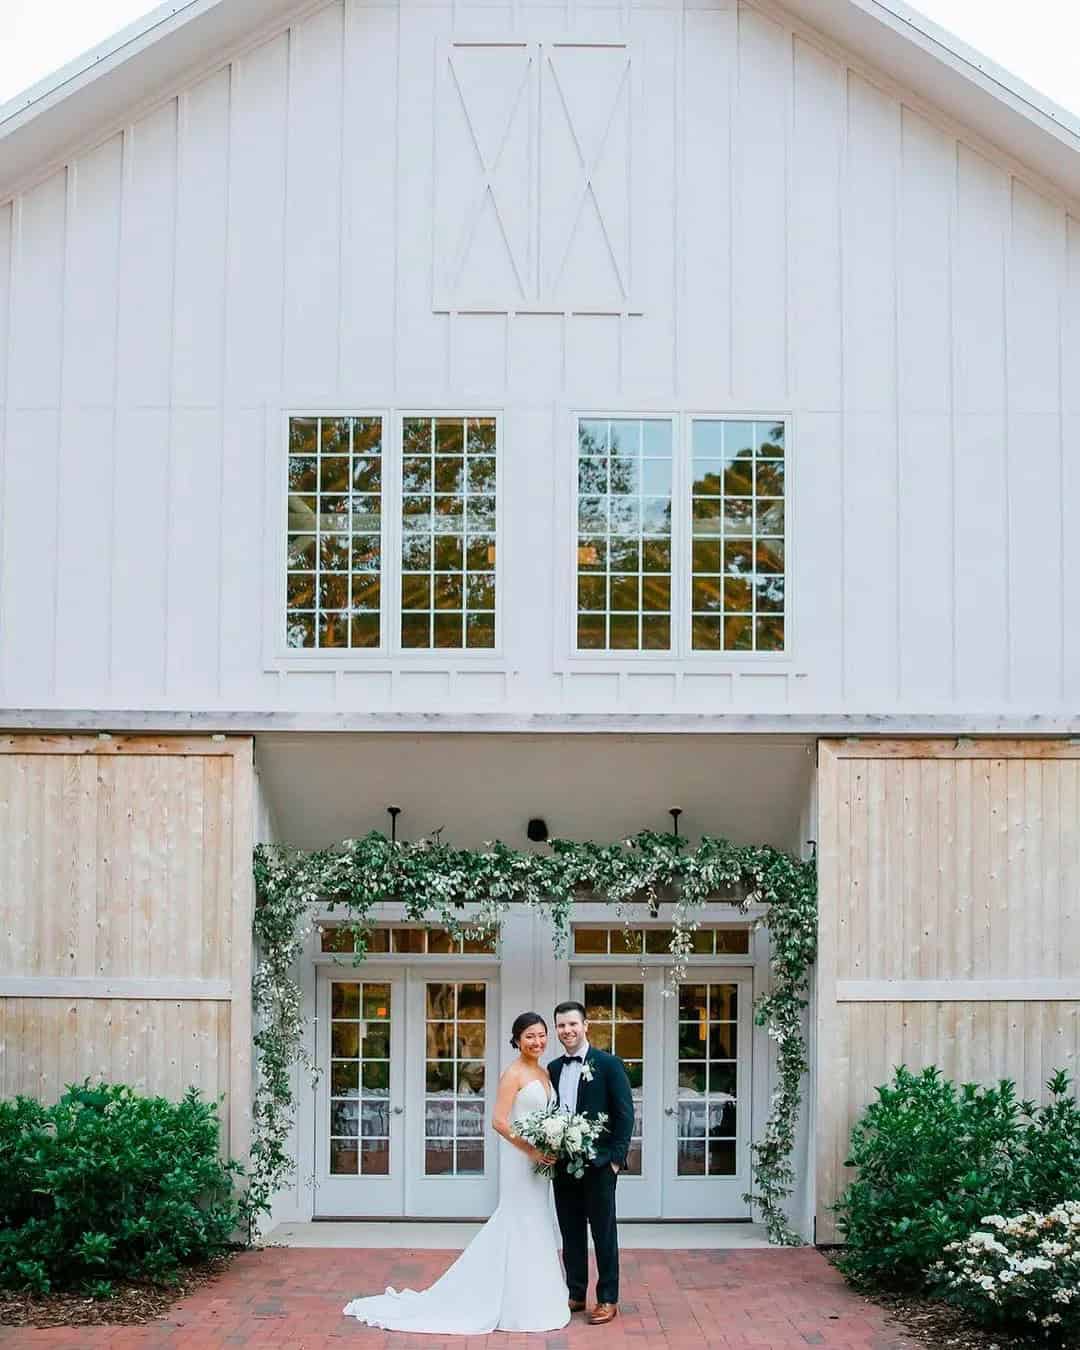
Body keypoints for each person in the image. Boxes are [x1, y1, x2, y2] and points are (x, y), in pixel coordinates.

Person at [342, 1011, 570, 1333]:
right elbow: (499, 1121)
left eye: (541, 1035)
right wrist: (531, 1149)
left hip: (541, 1165)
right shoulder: (513, 1074)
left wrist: (552, 1144)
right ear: (517, 1040)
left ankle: (534, 1299)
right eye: (529, 1036)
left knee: (537, 1221)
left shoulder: (545, 1073)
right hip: (521, 1161)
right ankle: (509, 1303)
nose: (537, 1041)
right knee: (518, 1220)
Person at [548, 1000, 635, 1326]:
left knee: (603, 1232)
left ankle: (608, 1298)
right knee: (570, 1233)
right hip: (563, 1165)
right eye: (561, 1026)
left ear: (585, 1026)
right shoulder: (554, 1068)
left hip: (599, 1165)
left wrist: (615, 1159)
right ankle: (575, 1293)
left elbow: (625, 1114)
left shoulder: (609, 1064)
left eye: (572, 1024)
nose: (567, 1030)